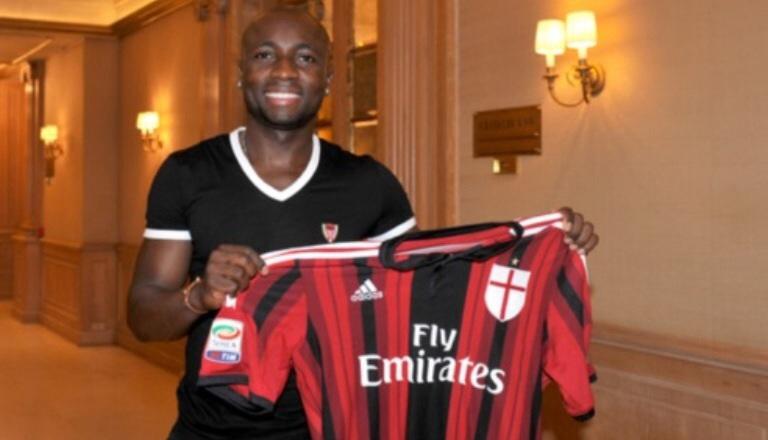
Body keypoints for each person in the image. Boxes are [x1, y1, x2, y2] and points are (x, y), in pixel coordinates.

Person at [127, 7, 599, 440]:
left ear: (329, 79)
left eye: (306, 58)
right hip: (210, 430)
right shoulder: (188, 174)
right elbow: (143, 318)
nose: (285, 70)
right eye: (265, 55)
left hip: (340, 426)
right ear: (241, 73)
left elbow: (432, 295)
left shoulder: (368, 184)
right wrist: (199, 296)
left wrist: (547, 244)